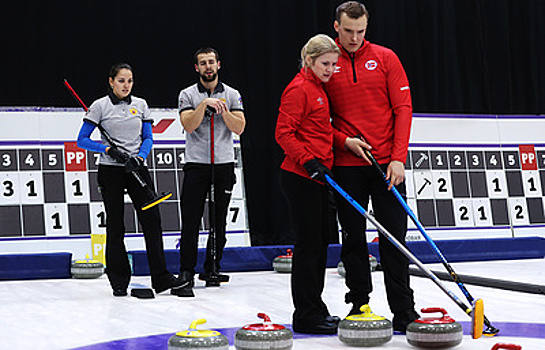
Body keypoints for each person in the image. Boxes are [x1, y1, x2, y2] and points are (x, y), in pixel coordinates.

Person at [324, 1, 419, 332]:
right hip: (347, 164)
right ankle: (359, 305)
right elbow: (318, 117)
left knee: (395, 238)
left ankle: (404, 311)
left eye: (360, 31)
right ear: (336, 26)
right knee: (353, 240)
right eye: (348, 31)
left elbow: (403, 108)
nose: (354, 38)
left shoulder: (385, 57)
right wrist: (342, 141)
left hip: (386, 165)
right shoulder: (326, 60)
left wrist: (398, 157)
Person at [77, 63, 183, 297]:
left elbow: (148, 138)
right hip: (110, 171)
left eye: (130, 81)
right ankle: (118, 280)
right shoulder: (99, 106)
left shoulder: (141, 105)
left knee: (152, 223)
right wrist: (106, 149)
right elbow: (82, 140)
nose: (126, 85)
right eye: (122, 80)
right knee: (116, 226)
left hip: (137, 168)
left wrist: (140, 157)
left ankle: (162, 278)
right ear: (111, 81)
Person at [275, 34, 341, 334]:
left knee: (321, 242)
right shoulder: (299, 89)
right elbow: (283, 133)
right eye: (325, 63)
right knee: (308, 246)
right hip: (300, 176)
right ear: (309, 60)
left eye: (334, 64)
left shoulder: (319, 89)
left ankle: (316, 306)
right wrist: (308, 161)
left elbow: (321, 130)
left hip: (319, 176)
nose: (330, 69)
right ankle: (305, 314)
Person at [175, 47, 246, 297]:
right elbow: (189, 125)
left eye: (211, 62)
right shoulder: (188, 94)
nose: (207, 67)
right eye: (203, 63)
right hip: (196, 164)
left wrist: (223, 110)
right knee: (191, 220)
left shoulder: (232, 94)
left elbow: (239, 128)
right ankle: (186, 270)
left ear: (219, 65)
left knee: (219, 221)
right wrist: (204, 104)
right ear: (196, 68)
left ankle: (213, 268)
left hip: (223, 164)